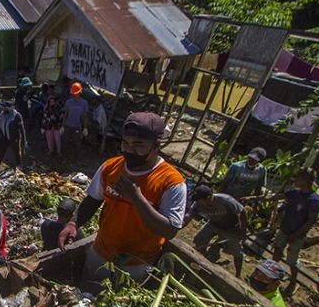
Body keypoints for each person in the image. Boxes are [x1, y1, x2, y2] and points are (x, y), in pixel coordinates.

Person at [58, 112, 186, 294]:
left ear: (156, 145)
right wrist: (74, 223)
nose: (129, 150)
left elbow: (170, 230)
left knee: (116, 303)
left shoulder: (171, 182)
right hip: (101, 251)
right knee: (86, 293)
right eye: (125, 143)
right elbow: (92, 200)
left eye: (138, 145)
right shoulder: (111, 167)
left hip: (136, 263)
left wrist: (136, 197)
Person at [247, 168, 319, 294]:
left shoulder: (313, 200)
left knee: (292, 260)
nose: (295, 180)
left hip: (297, 235)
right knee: (277, 251)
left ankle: (293, 282)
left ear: (305, 181)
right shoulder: (294, 193)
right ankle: (269, 274)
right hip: (284, 229)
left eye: (297, 178)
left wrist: (296, 235)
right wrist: (252, 198)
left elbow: (310, 221)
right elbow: (273, 197)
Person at [185, 185, 247, 277]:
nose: (197, 201)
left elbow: (243, 212)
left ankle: (238, 275)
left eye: (199, 199)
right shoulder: (197, 204)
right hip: (213, 223)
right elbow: (189, 215)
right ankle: (200, 260)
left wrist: (242, 231)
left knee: (236, 252)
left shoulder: (225, 200)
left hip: (231, 228)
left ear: (208, 198)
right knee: (199, 239)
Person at [61, 82, 89, 159]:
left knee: (77, 143)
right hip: (68, 125)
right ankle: (64, 157)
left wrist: (85, 127)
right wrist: (62, 126)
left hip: (77, 126)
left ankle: (77, 158)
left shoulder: (84, 103)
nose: (75, 95)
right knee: (65, 141)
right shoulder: (68, 102)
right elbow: (65, 114)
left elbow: (85, 116)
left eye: (76, 93)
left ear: (80, 92)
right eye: (74, 93)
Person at [0, 102, 26, 169]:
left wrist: (24, 140)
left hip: (14, 138)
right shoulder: (2, 115)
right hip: (4, 137)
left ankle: (19, 166)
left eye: (6, 107)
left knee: (16, 152)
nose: (4, 108)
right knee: (1, 152)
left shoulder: (17, 116)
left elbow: (22, 129)